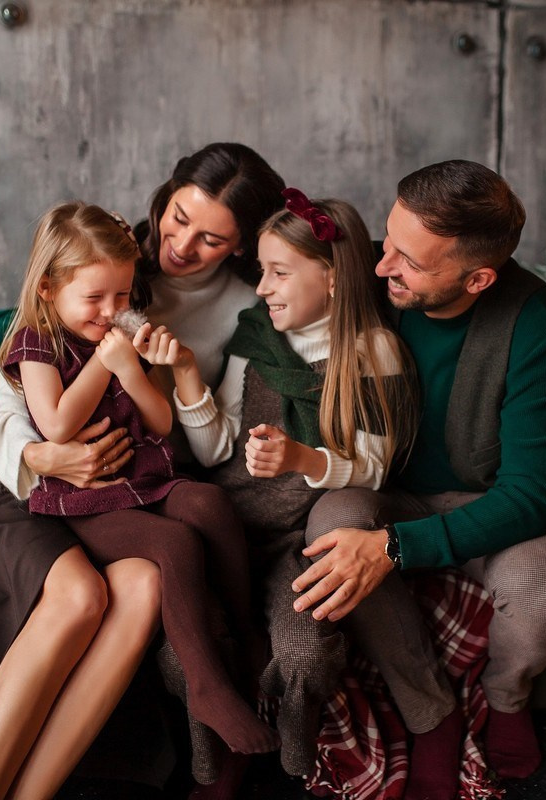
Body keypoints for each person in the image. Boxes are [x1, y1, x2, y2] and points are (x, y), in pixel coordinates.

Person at [0, 143, 286, 800]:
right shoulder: (98, 254)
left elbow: (211, 446)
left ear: (241, 245)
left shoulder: (249, 308)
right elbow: (16, 408)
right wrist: (39, 457)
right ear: (164, 199)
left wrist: (180, 372)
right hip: (34, 487)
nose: (181, 245)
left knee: (150, 576)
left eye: (211, 239)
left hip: (139, 484)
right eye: (178, 218)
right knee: (83, 594)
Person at [293, 160, 546, 784]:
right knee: (334, 527)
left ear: (478, 279)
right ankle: (430, 712)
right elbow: (275, 267)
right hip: (381, 488)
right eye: (389, 241)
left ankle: (507, 697)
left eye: (409, 261)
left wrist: (395, 548)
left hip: (482, 500)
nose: (382, 266)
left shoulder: (531, 323)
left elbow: (530, 496)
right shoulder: (369, 275)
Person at [143, 189, 427, 797]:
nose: (263, 287)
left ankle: (293, 755)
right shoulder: (256, 335)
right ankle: (215, 766)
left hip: (293, 538)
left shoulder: (371, 352)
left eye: (279, 272)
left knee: (306, 650)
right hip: (225, 524)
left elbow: (375, 467)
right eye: (262, 271)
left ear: (332, 278)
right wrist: (186, 373)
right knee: (184, 649)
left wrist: (303, 459)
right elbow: (216, 450)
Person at [0, 200, 276, 756]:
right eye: (94, 298)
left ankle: (245, 631)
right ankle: (206, 685)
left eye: (122, 296)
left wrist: (133, 369)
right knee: (173, 542)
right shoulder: (37, 342)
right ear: (49, 289)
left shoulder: (122, 340)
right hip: (87, 500)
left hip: (145, 478)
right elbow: (56, 426)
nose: (110, 311)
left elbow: (161, 423)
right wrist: (105, 363)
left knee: (208, 503)